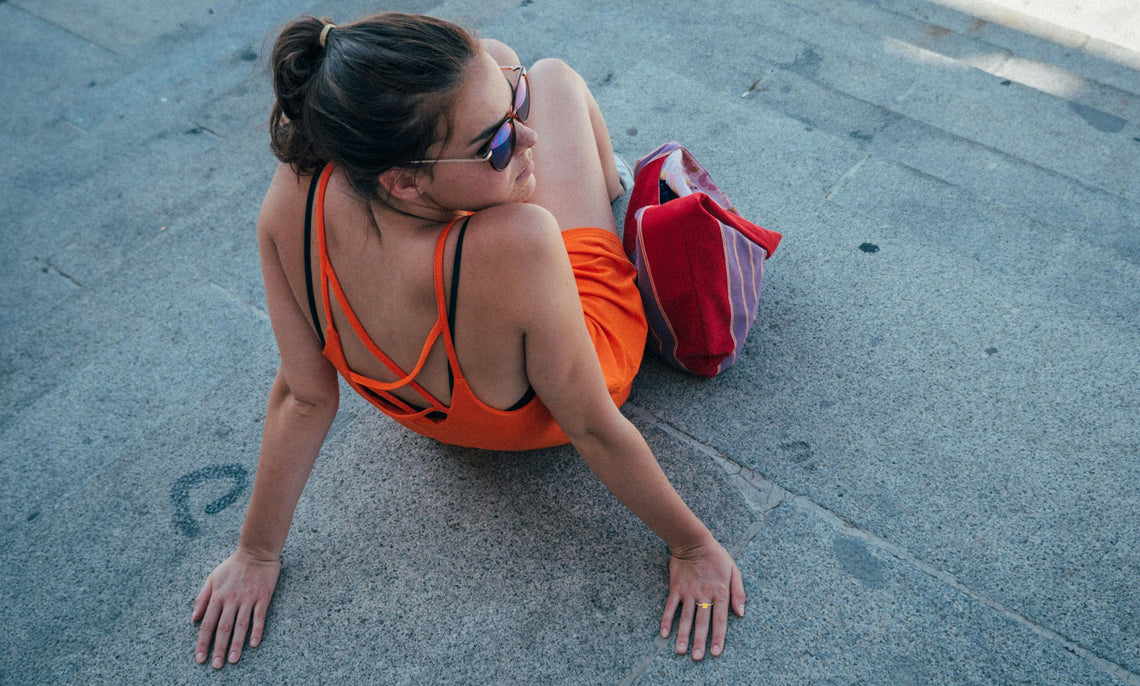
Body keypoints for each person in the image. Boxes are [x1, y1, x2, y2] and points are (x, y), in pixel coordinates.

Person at [191, 12, 746, 669]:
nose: (528, 136)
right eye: (501, 143)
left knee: (500, 58)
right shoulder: (520, 239)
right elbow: (593, 425)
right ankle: (607, 180)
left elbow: (303, 398)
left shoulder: (290, 197)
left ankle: (498, 123)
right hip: (561, 385)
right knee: (553, 77)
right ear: (404, 181)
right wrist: (692, 546)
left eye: (513, 111)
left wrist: (256, 552)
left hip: (430, 403)